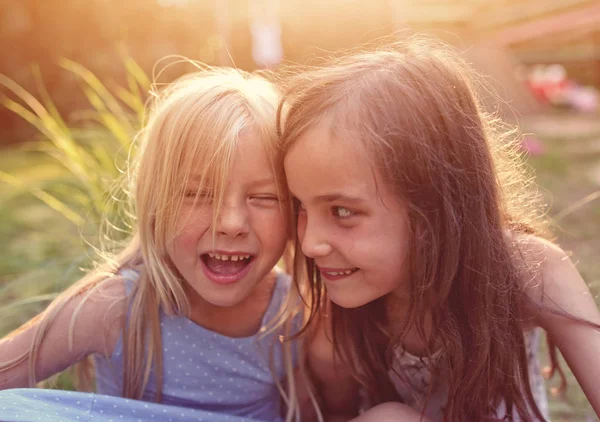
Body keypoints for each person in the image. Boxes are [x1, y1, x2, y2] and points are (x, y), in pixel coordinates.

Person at [279, 35, 600, 421]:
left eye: (342, 211)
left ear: (434, 203)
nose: (310, 243)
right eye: (300, 206)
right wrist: (324, 358)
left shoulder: (528, 270)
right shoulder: (337, 312)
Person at [0, 65, 309, 422]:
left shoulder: (295, 313)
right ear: (155, 204)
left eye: (264, 197)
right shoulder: (116, 309)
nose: (231, 223)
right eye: (197, 194)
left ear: (295, 208)